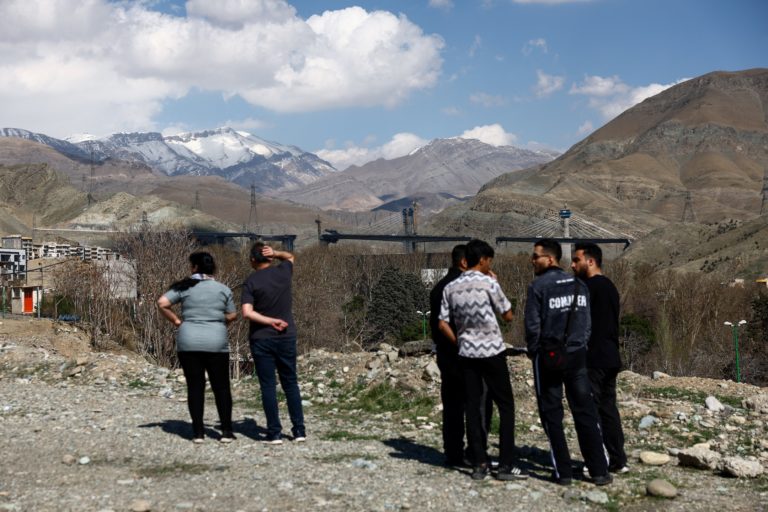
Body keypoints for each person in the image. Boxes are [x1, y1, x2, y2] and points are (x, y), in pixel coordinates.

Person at [524, 239, 611, 486]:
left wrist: (535, 352)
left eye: (536, 256)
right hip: (577, 356)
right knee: (585, 411)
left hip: (549, 358)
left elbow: (532, 326)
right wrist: (579, 346)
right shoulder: (579, 285)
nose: (532, 260)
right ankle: (599, 470)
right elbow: (587, 324)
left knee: (552, 414)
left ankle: (562, 471)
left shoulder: (538, 286)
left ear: (550, 259)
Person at [438, 239, 526, 481]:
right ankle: (506, 464)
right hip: (493, 352)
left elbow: (442, 322)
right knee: (506, 406)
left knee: (473, 408)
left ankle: (479, 463)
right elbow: (507, 315)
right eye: (490, 261)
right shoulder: (489, 282)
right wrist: (496, 285)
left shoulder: (451, 288)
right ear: (484, 260)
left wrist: (460, 341)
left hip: (467, 354)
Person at [157, 252, 237, 444]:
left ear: (194, 267)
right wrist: (219, 321)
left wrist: (177, 321)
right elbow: (233, 315)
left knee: (195, 387)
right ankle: (226, 431)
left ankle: (198, 433)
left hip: (188, 341)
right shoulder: (223, 289)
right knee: (222, 387)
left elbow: (162, 303)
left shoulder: (184, 287)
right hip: (216, 342)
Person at [429, 245, 493, 467]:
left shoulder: (438, 288)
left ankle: (453, 452)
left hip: (446, 356)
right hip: (470, 355)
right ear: (465, 262)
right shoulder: (468, 287)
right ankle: (476, 452)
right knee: (479, 404)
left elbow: (436, 327)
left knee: (452, 406)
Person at [571, 242, 628, 474]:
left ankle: (597, 461)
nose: (573, 265)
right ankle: (617, 459)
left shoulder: (588, 288)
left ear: (590, 261)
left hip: (593, 358)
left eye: (577, 260)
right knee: (608, 410)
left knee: (590, 410)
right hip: (610, 356)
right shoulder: (610, 287)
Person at [241, 242, 305, 444]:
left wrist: (270, 321)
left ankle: (274, 432)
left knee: (268, 386)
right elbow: (290, 257)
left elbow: (246, 312)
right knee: (290, 383)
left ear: (252, 260)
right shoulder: (283, 272)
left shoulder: (251, 281)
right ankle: (299, 430)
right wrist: (276, 252)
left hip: (262, 338)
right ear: (269, 258)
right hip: (286, 336)